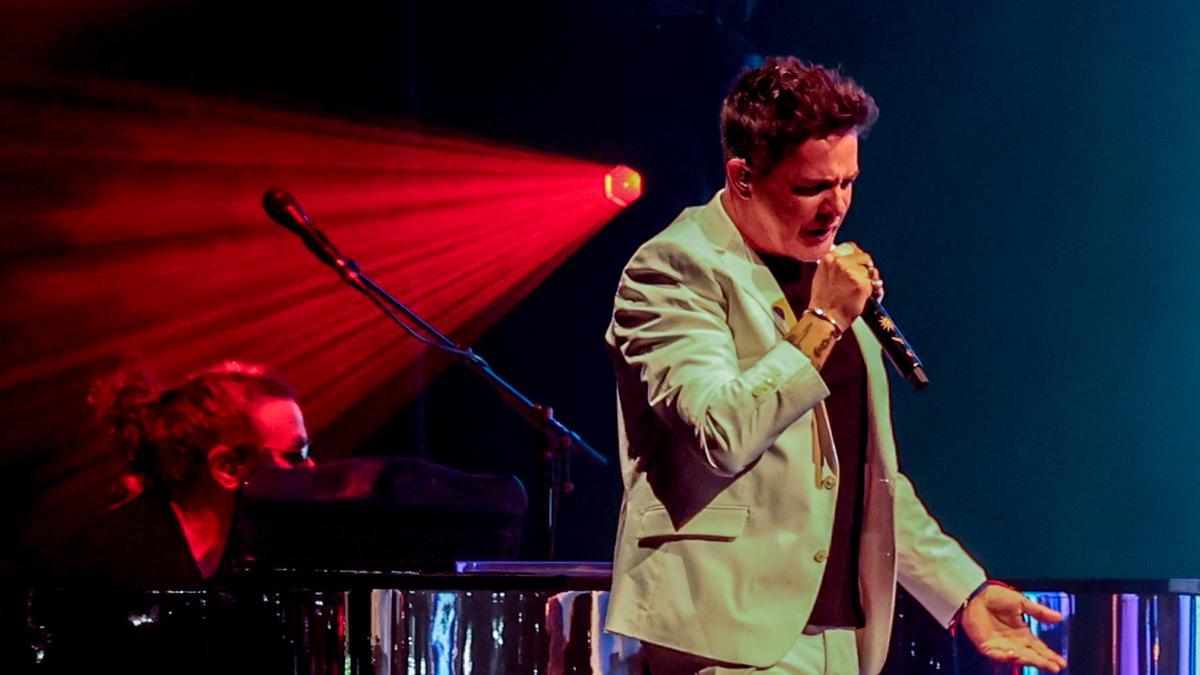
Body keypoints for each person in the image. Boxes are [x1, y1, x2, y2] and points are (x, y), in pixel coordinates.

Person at [603, 57, 1067, 674]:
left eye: (848, 182)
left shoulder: (829, 278)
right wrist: (822, 321)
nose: (836, 206)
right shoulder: (675, 269)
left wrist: (963, 592)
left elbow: (865, 476)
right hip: (722, 634)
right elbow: (721, 432)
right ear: (742, 177)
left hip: (839, 638)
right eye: (812, 188)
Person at [39, 361, 310, 589]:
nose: (311, 467)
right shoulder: (99, 570)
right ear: (227, 467)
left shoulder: (263, 552)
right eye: (296, 455)